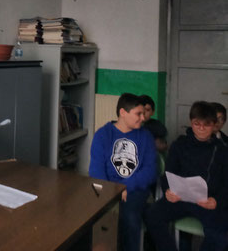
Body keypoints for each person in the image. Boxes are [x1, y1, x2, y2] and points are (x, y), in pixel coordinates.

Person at [145, 101, 228, 251]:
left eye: (207, 124)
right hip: (180, 198)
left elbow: (226, 183)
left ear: (214, 125)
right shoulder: (180, 145)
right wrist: (168, 191)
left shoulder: (222, 151)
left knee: (220, 235)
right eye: (197, 124)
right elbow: (168, 173)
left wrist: (217, 201)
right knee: (152, 215)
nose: (201, 128)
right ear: (191, 122)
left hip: (208, 201)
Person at [89, 92, 157, 251]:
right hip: (106, 188)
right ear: (123, 112)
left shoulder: (146, 136)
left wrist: (125, 187)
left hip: (134, 190)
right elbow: (96, 171)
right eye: (138, 114)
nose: (143, 118)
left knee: (129, 217)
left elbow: (150, 171)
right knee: (90, 217)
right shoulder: (103, 135)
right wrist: (111, 191)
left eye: (143, 113)